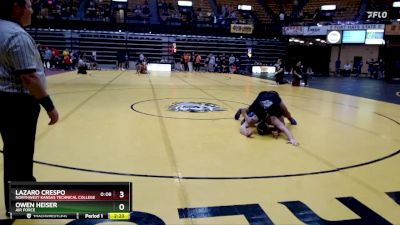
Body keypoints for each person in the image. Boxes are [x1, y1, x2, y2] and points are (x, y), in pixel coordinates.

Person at [0, 0, 59, 220]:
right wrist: (49, 107)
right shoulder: (18, 35)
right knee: (20, 156)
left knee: (12, 154)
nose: (32, 11)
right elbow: (29, 77)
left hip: (3, 99)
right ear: (16, 7)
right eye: (29, 6)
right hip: (18, 104)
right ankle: (22, 207)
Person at [234, 91, 299, 146]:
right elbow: (242, 127)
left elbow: (284, 128)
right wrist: (246, 132)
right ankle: (243, 111)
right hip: (261, 97)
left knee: (285, 113)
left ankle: (290, 118)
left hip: (273, 96)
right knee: (250, 110)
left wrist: (291, 139)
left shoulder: (273, 117)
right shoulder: (257, 116)